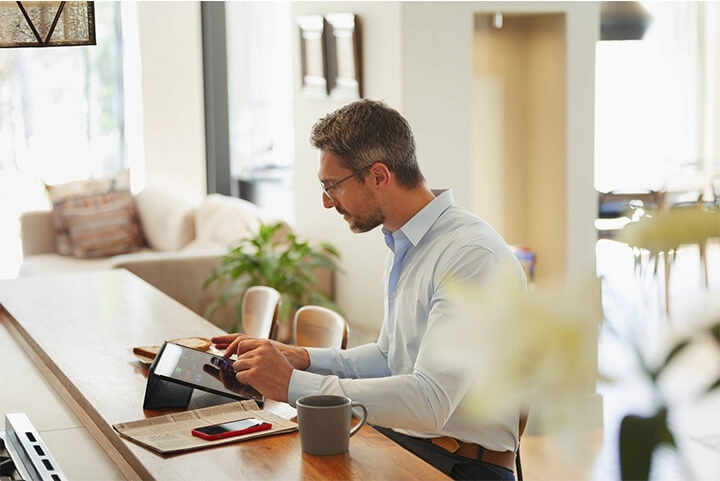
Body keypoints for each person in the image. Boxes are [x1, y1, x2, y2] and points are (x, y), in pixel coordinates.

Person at [212, 99, 527, 481]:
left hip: (460, 467)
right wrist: (302, 359)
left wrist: (292, 384)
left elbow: (430, 401)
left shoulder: (469, 256)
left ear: (379, 176)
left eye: (332, 187)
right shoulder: (405, 242)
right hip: (409, 446)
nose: (327, 202)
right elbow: (389, 356)